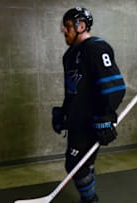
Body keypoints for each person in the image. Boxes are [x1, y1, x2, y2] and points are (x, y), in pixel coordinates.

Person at [51, 7, 126, 203]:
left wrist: (106, 117)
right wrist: (64, 113)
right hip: (77, 121)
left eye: (67, 26)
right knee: (80, 164)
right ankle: (89, 198)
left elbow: (114, 87)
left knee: (75, 164)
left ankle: (90, 199)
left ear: (81, 26)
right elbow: (74, 91)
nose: (63, 31)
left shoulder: (97, 48)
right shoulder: (69, 56)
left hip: (91, 122)